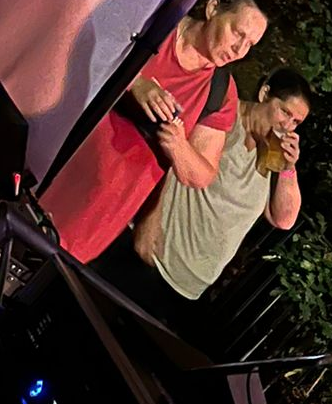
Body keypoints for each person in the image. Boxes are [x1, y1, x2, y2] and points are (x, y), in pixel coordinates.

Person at [41, 0, 269, 263]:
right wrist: (135, 82)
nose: (239, 50)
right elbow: (82, 45)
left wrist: (178, 146)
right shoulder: (157, 24)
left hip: (101, 208)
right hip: (62, 159)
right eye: (238, 33)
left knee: (37, 267)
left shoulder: (220, 91)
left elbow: (201, 175)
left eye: (250, 45)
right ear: (213, 9)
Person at [103, 66, 314, 320]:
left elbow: (284, 219)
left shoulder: (270, 156)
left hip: (189, 288)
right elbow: (169, 152)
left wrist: (289, 167)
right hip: (151, 257)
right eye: (285, 112)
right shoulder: (224, 118)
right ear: (264, 93)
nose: (287, 125)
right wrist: (147, 221)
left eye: (296, 122)